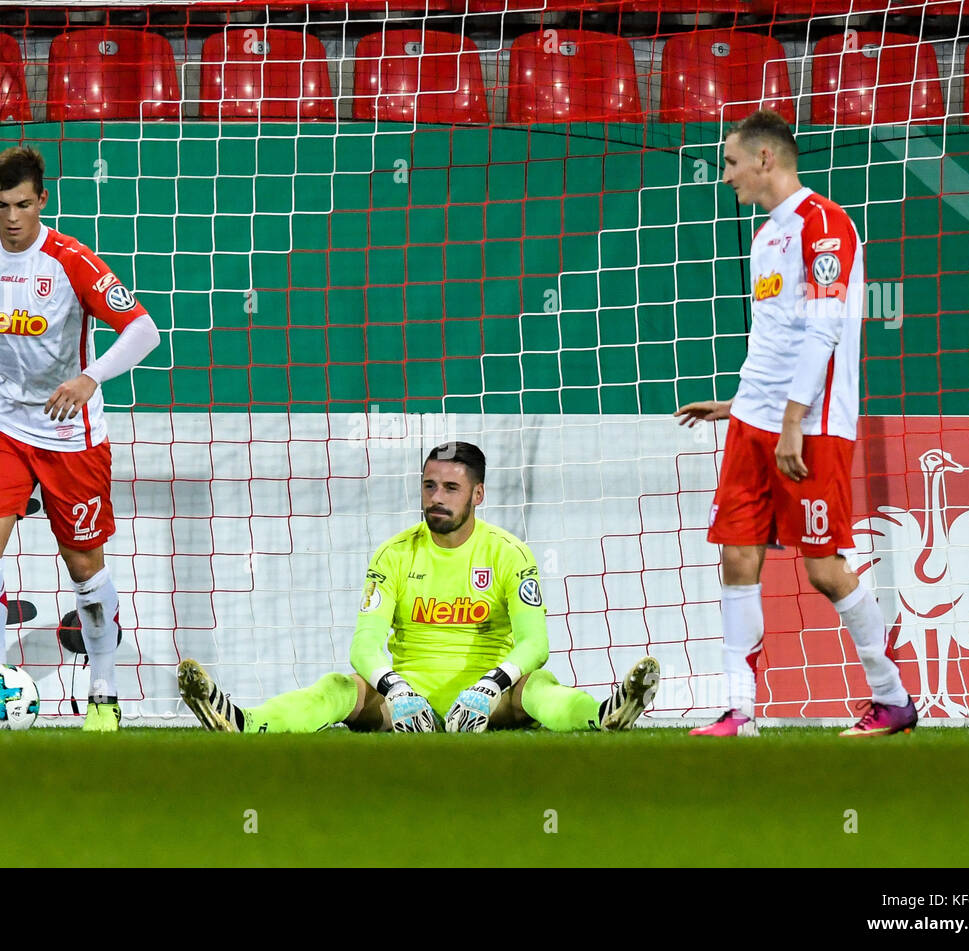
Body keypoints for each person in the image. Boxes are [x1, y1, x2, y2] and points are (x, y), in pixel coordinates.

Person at [675, 110, 915, 738]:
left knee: (823, 568)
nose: (725, 176)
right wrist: (739, 406)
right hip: (758, 419)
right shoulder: (763, 237)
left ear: (763, 159)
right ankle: (739, 711)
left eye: (730, 163)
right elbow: (774, 339)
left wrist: (789, 423)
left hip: (811, 426)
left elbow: (824, 331)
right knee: (736, 557)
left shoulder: (825, 223)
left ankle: (891, 699)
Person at [0, 146, 161, 732]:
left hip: (71, 434)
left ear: (41, 199)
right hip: (1, 425)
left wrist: (89, 377)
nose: (13, 216)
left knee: (83, 565)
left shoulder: (73, 262)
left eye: (23, 204)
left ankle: (104, 688)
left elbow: (143, 330)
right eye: (1, 205)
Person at [178, 441, 660, 734]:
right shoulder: (394, 554)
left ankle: (605, 714)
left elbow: (536, 643)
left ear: (478, 494)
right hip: (408, 700)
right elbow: (365, 642)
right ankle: (244, 722)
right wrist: (396, 688)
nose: (436, 498)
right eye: (429, 486)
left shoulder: (509, 553)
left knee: (539, 689)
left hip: (488, 698)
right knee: (341, 688)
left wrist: (491, 684)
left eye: (451, 488)